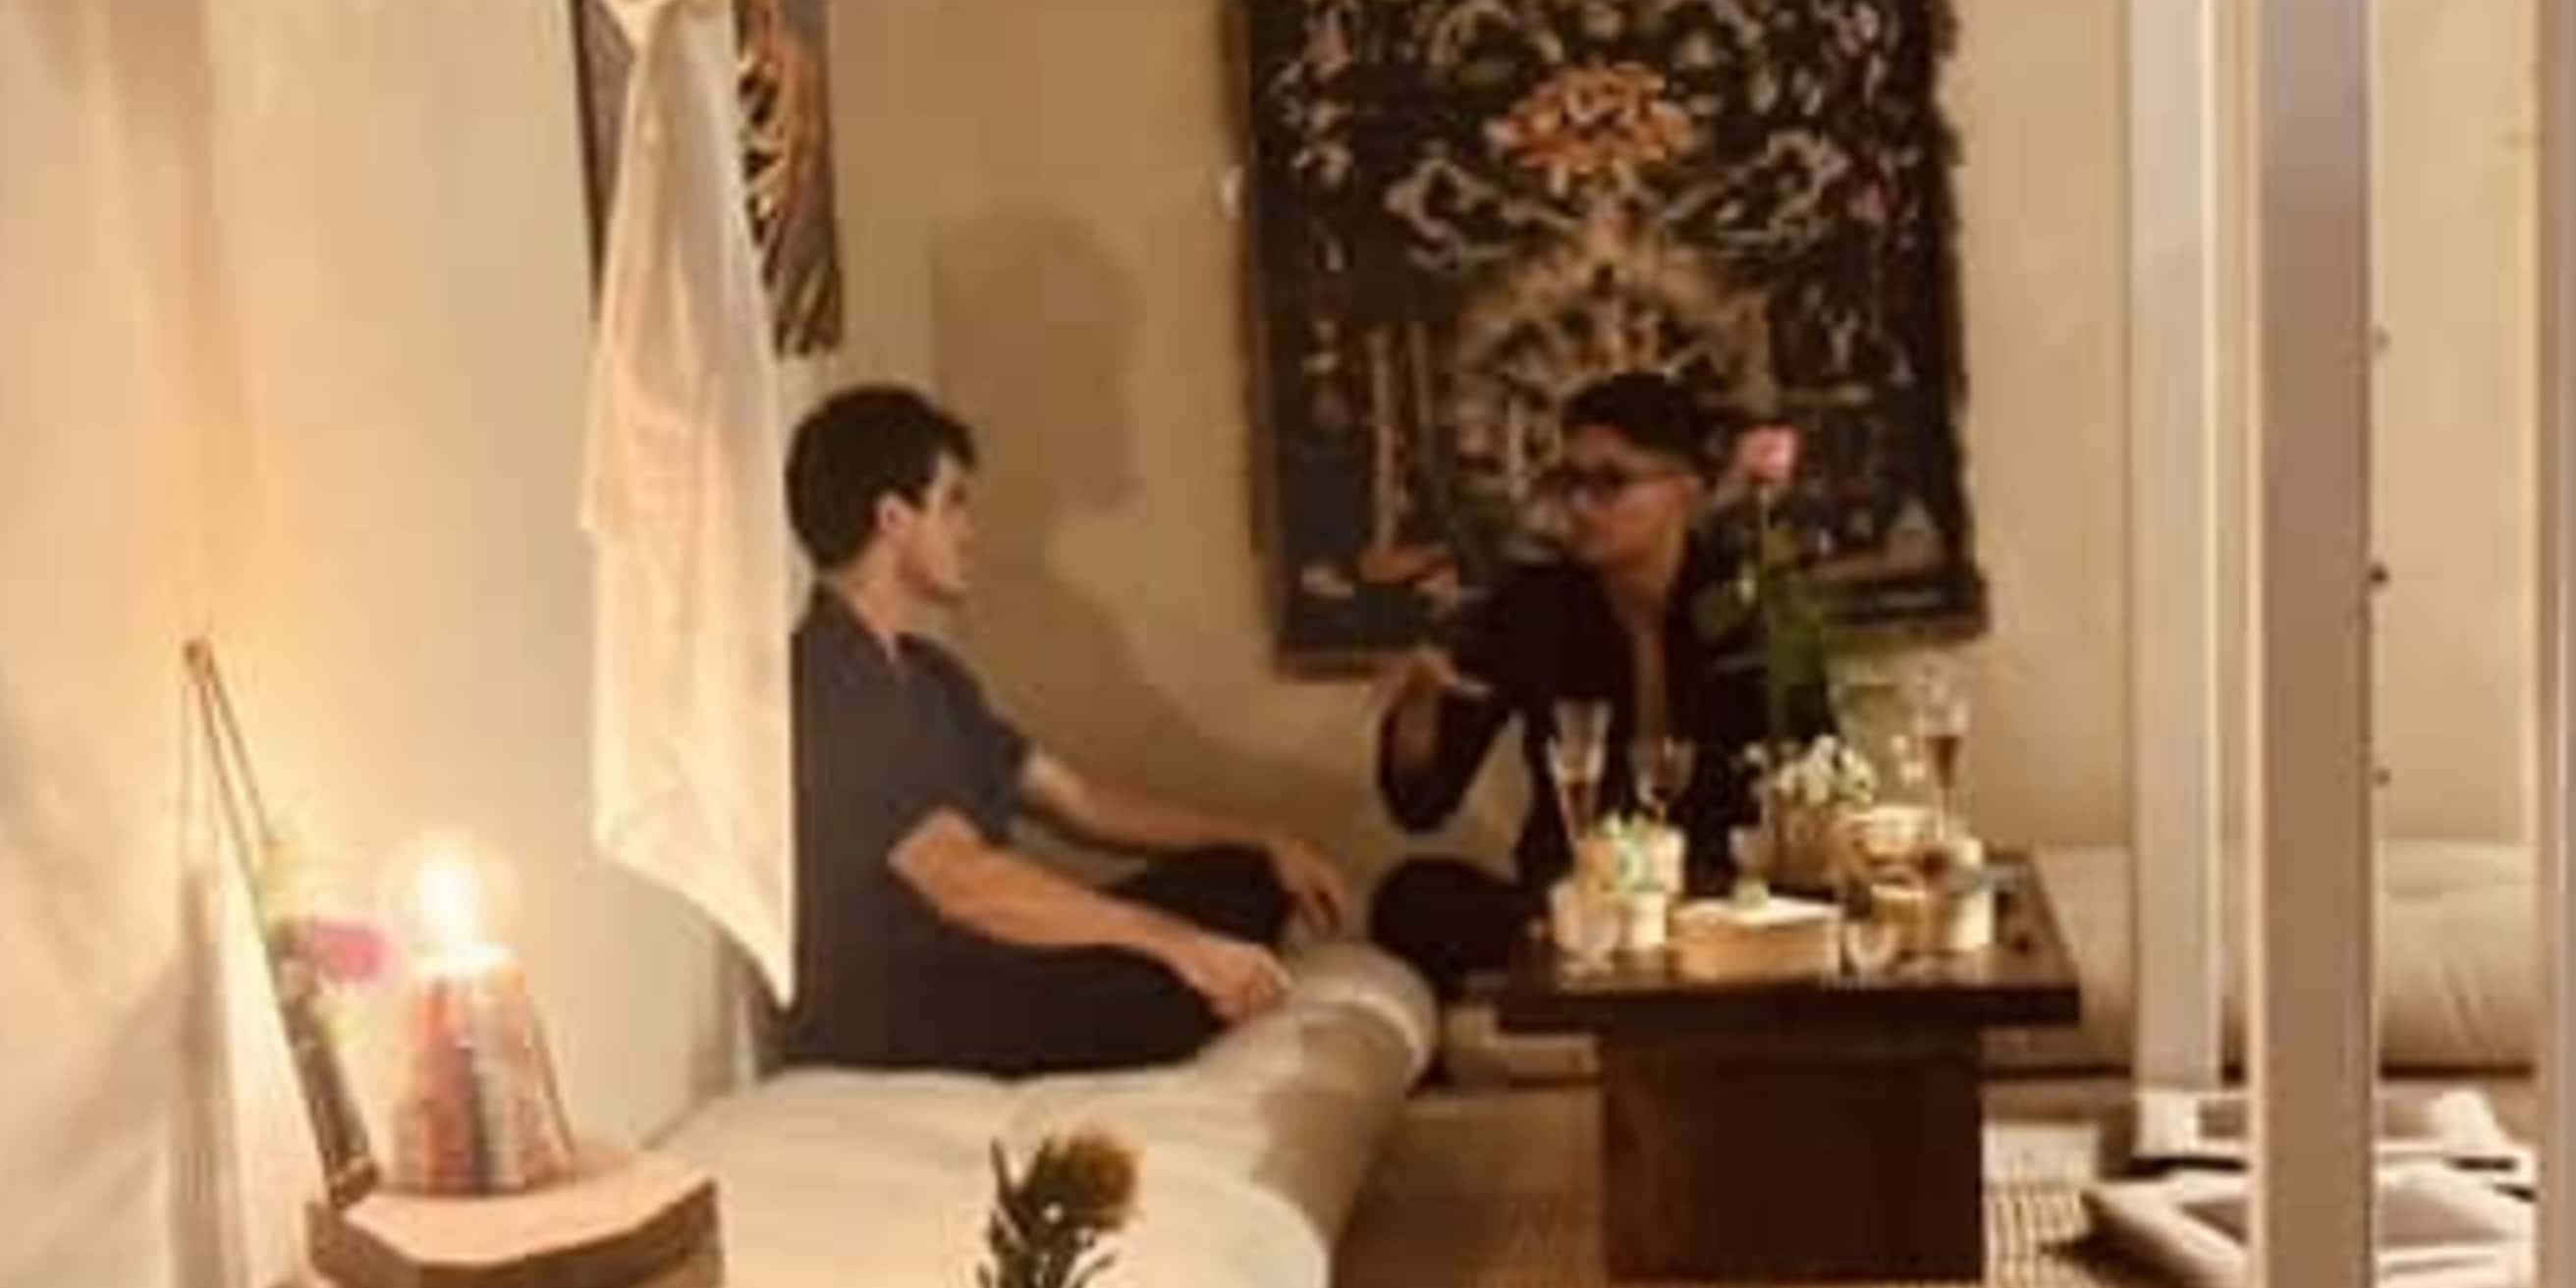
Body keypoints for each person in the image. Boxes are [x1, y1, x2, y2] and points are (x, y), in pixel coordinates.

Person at [778, 381, 1349, 1074]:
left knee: (1247, 877)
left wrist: (1262, 837)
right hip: (906, 1004)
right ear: (893, 519)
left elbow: (1078, 801)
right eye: (954, 502)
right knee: (1161, 983)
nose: (969, 531)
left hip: (987, 958)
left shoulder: (931, 675)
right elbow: (959, 881)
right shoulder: (827, 680)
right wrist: (1175, 945)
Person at [1364, 372, 1815, 998]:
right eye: (1569, 483)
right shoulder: (1532, 606)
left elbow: (1816, 775)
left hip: (1722, 897)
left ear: (1685, 492)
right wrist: (1418, 715)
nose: (1579, 505)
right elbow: (1421, 807)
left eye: (1610, 482)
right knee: (1409, 898)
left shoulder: (1751, 601)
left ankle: (1647, 947)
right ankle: (1590, 943)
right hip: (1571, 900)